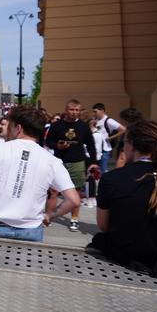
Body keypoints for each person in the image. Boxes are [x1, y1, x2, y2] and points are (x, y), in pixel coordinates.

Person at [0, 106, 81, 242]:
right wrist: (49, 215)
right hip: (32, 229)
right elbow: (74, 200)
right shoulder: (51, 160)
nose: (6, 128)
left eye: (9, 124)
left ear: (18, 128)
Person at [88, 120, 157, 275]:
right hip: (155, 259)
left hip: (129, 254)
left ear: (132, 145)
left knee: (101, 240)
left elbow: (104, 225)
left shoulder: (112, 179)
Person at [45, 99, 99, 232]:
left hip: (77, 162)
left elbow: (91, 145)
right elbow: (48, 141)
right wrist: (57, 145)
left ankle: (74, 219)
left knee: (76, 192)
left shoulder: (83, 126)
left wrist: (93, 162)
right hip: (59, 162)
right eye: (71, 109)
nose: (74, 112)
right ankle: (48, 217)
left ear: (79, 111)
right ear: (66, 110)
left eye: (76, 110)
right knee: (53, 192)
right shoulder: (56, 125)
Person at [93, 103, 126, 173]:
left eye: (95, 111)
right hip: (96, 148)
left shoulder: (108, 120)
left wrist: (111, 138)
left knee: (102, 170)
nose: (94, 113)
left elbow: (123, 129)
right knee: (95, 170)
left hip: (104, 149)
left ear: (102, 110)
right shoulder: (95, 120)